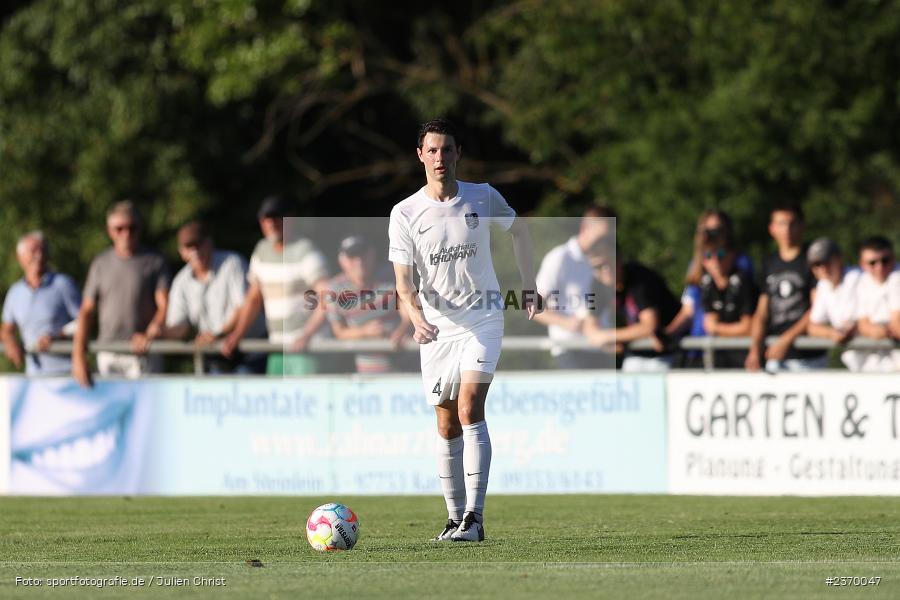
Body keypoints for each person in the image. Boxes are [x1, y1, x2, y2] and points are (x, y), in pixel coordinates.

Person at [388, 118, 542, 542]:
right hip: (437, 330)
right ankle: (454, 518)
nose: (440, 158)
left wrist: (528, 284)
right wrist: (416, 316)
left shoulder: (482, 196)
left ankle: (475, 519)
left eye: (447, 150)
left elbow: (521, 230)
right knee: (445, 425)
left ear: (458, 154)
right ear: (420, 155)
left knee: (470, 407)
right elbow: (403, 282)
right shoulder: (405, 212)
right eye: (432, 150)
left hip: (484, 318)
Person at [221, 195, 330, 375]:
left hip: (307, 349)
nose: (271, 224)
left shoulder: (306, 251)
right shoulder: (261, 251)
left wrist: (307, 335)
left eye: (276, 218)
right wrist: (237, 335)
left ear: (291, 219)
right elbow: (254, 298)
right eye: (266, 219)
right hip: (277, 346)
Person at [72, 201, 171, 387]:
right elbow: (86, 310)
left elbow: (164, 305)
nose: (126, 234)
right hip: (108, 352)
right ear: (110, 231)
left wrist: (149, 335)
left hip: (143, 354)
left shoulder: (155, 261)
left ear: (139, 229)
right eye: (119, 229)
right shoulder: (100, 263)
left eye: (132, 228)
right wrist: (78, 355)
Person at [162, 222, 267, 374]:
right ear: (182, 252)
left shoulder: (232, 263)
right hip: (217, 357)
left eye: (199, 244)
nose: (195, 251)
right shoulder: (181, 282)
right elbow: (179, 325)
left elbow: (243, 307)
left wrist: (219, 335)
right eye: (189, 247)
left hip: (251, 353)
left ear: (209, 243)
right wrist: (158, 333)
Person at [666, 209, 753, 367]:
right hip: (699, 344)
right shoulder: (697, 265)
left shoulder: (739, 264)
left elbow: (742, 315)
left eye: (718, 230)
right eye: (708, 230)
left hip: (728, 347)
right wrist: (667, 333)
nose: (713, 235)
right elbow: (689, 310)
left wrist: (718, 328)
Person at [745, 203, 825, 372]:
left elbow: (817, 308)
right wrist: (755, 347)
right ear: (772, 228)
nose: (787, 229)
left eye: (792, 223)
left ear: (802, 226)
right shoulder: (768, 263)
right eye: (781, 224)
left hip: (808, 356)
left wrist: (786, 340)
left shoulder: (814, 261)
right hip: (775, 355)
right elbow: (762, 312)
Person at [533, 206, 616, 369]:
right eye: (601, 236)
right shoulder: (559, 258)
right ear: (584, 228)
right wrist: (567, 323)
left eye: (608, 237)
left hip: (602, 347)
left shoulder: (607, 259)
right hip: (571, 350)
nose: (604, 242)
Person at [582, 240, 680, 371]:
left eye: (609, 262)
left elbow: (649, 326)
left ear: (619, 258)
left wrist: (608, 337)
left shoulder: (639, 278)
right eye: (598, 266)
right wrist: (604, 343)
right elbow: (589, 326)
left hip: (669, 351)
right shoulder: (597, 284)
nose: (606, 270)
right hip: (638, 352)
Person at [325, 236, 411, 374]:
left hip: (407, 362)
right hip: (369, 370)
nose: (359, 262)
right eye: (352, 257)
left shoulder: (391, 274)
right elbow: (339, 332)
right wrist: (365, 331)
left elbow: (409, 313)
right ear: (342, 261)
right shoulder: (334, 289)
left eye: (363, 255)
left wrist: (401, 330)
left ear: (372, 255)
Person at [1, 231, 81, 375]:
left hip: (68, 374)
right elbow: (7, 328)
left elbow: (84, 321)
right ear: (20, 257)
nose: (38, 256)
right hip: (34, 378)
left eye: (42, 250)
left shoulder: (63, 284)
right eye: (33, 251)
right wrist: (9, 341)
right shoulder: (15, 292)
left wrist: (58, 336)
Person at [697, 227, 757, 368]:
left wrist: (718, 329)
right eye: (709, 256)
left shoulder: (743, 282)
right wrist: (728, 329)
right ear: (704, 261)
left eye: (721, 254)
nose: (715, 260)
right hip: (721, 355)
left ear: (732, 255)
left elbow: (748, 328)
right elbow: (710, 325)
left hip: (745, 356)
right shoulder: (706, 283)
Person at [806, 237, 861, 370]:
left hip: (885, 354)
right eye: (817, 264)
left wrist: (839, 332)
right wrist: (831, 333)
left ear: (839, 258)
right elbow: (812, 327)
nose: (823, 268)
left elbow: (852, 324)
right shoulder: (823, 285)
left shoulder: (855, 277)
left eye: (827, 261)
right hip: (857, 359)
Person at [851, 236, 900, 371]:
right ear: (862, 264)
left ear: (893, 258)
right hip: (873, 359)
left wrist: (880, 331)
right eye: (872, 263)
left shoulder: (897, 278)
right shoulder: (861, 282)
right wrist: (876, 331)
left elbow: (896, 324)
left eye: (885, 260)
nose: (880, 267)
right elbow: (863, 323)